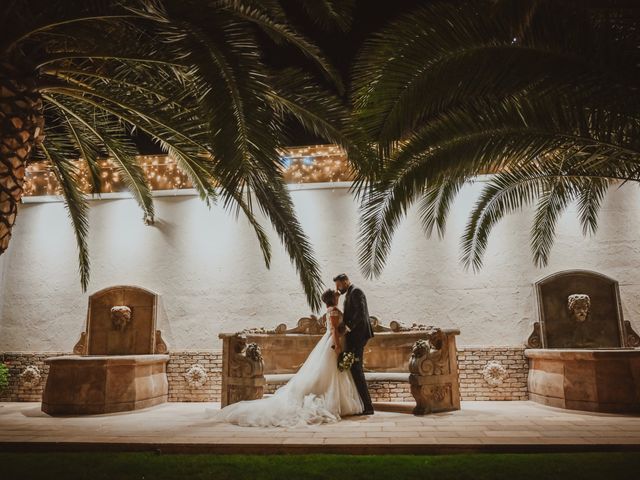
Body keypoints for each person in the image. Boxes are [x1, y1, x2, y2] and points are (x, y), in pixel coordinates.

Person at [207, 289, 364, 427]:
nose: (338, 298)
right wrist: (337, 346)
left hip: (329, 341)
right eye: (336, 297)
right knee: (331, 374)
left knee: (330, 374)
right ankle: (334, 403)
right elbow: (335, 331)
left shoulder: (329, 310)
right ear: (334, 299)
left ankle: (338, 402)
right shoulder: (334, 311)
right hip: (332, 343)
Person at [334, 273, 375, 415]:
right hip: (353, 337)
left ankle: (368, 406)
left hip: (358, 336)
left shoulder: (356, 291)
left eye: (339, 285)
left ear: (345, 281)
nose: (337, 288)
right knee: (354, 369)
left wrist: (347, 327)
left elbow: (361, 313)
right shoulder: (349, 293)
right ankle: (364, 405)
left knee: (357, 369)